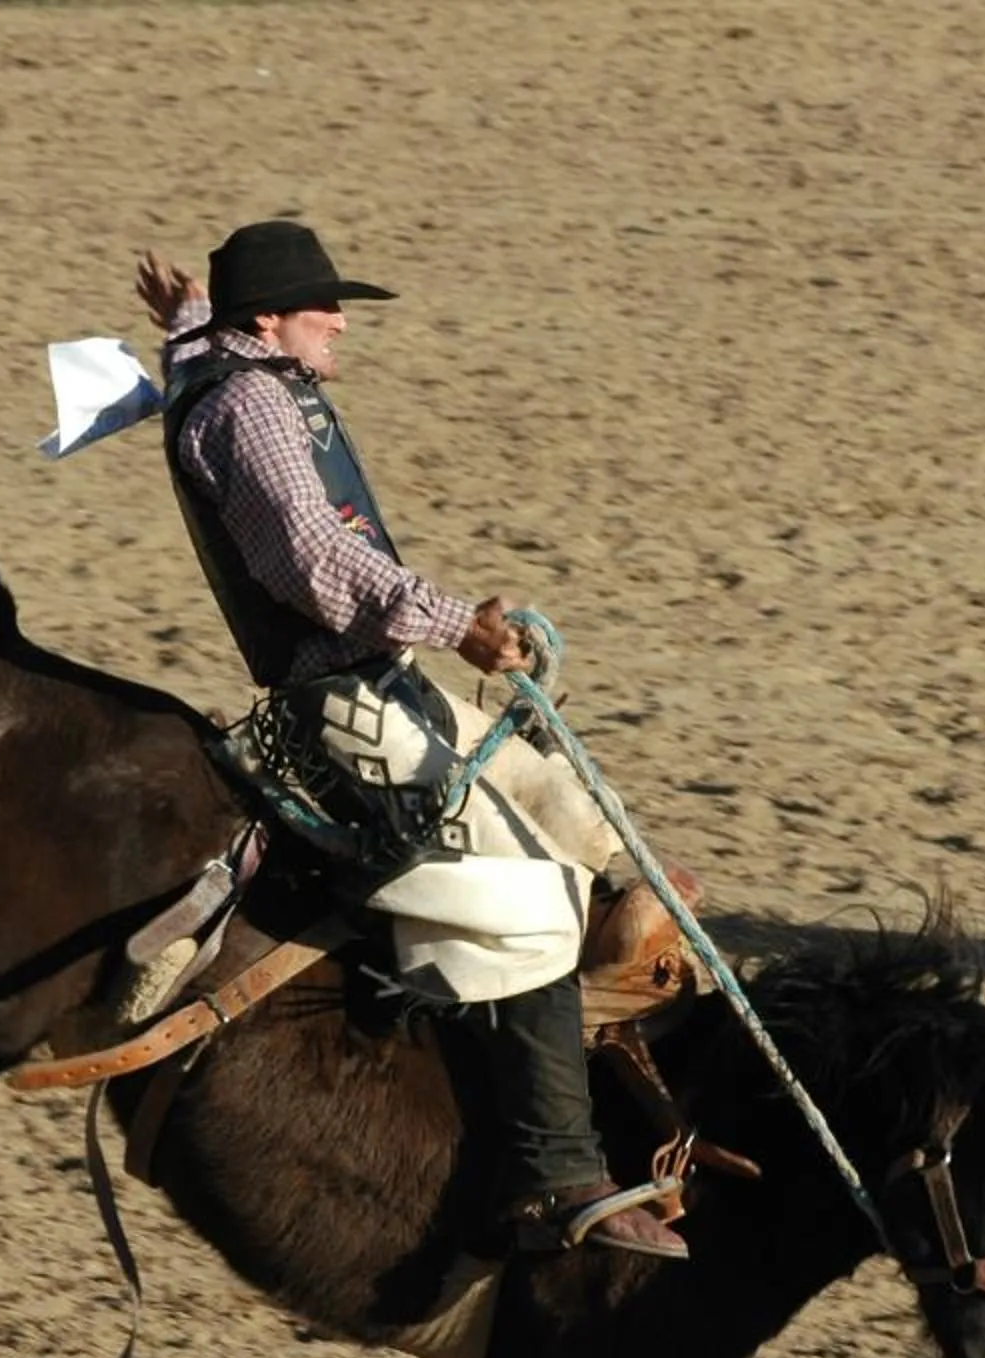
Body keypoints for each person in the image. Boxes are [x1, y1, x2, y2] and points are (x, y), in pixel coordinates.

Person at [133, 220, 688, 1262]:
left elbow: (215, 372)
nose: (340, 322)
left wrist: (185, 324)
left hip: (374, 678)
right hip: (338, 704)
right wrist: (456, 623)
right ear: (270, 320)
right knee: (527, 904)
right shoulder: (252, 404)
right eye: (322, 307)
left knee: (582, 820)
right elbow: (308, 559)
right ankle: (553, 1167)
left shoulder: (232, 370)